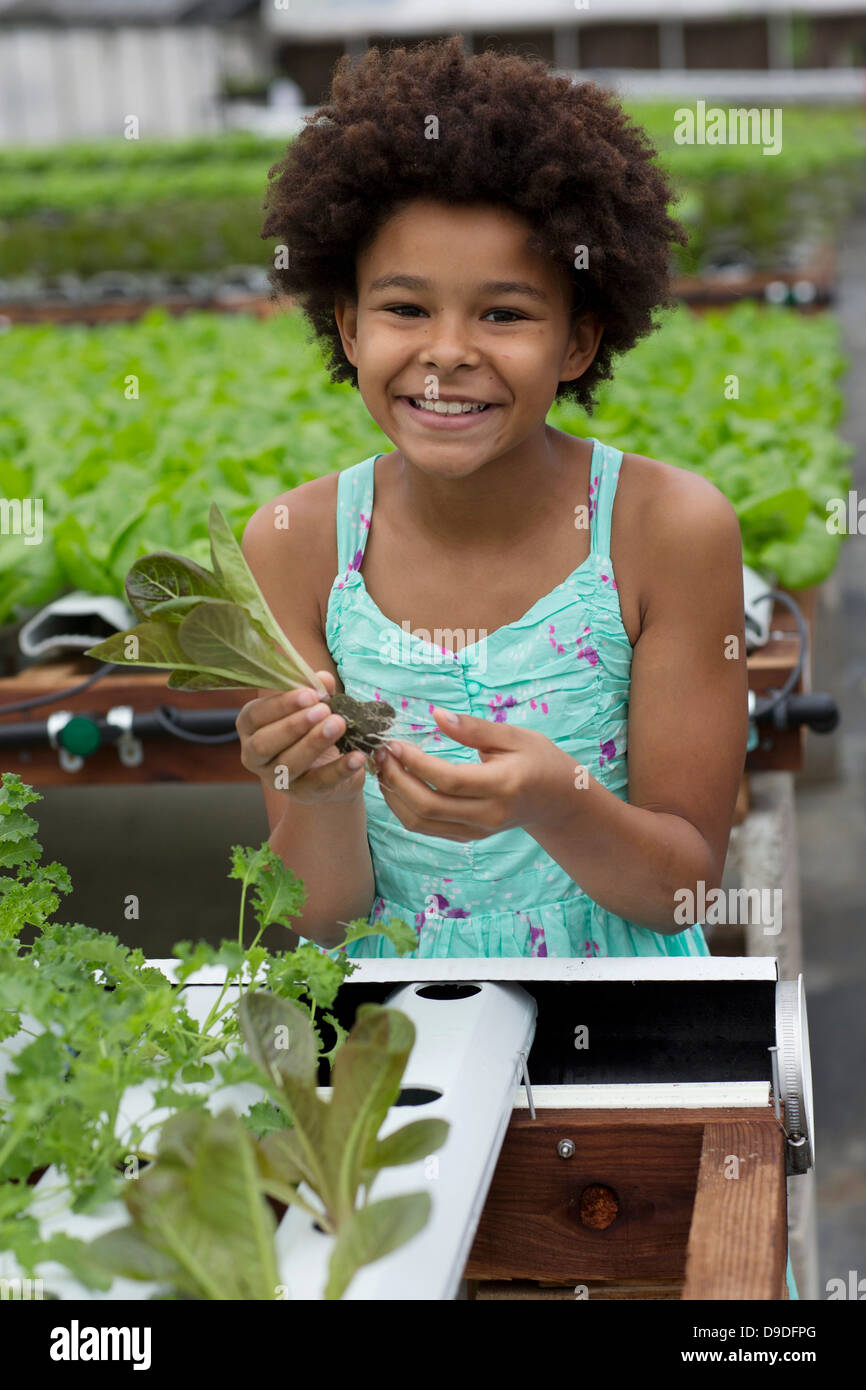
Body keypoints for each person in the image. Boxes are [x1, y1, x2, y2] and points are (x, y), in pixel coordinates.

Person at [236, 36, 799, 1298]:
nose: (445, 353)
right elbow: (316, 916)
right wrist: (319, 790)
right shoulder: (295, 542)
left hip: (623, 1011)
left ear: (583, 335)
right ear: (343, 320)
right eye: (402, 307)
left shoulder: (666, 529)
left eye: (503, 311)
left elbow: (679, 893)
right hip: (394, 1032)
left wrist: (555, 800)